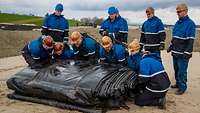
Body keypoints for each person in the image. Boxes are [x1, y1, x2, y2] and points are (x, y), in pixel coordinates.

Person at [167, 3, 196, 95]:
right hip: (175, 51)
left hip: (183, 53)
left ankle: (182, 87)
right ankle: (178, 83)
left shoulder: (190, 24)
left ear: (185, 11)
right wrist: (170, 46)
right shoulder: (177, 23)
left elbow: (190, 40)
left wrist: (187, 52)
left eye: (179, 12)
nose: (178, 13)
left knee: (182, 71)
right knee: (176, 70)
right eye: (177, 12)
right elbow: (174, 37)